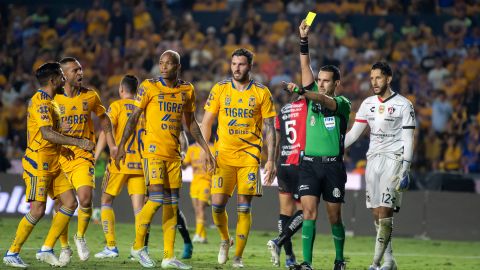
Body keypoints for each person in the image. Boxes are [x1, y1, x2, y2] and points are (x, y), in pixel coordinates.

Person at [115, 50, 215, 269]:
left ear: (177, 66)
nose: (163, 66)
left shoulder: (187, 90)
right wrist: (122, 145)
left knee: (172, 204)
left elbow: (191, 124)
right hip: (152, 152)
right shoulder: (149, 87)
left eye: (168, 63)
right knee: (157, 198)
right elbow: (133, 118)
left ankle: (169, 256)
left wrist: (206, 150)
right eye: (161, 63)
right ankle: (138, 246)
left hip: (174, 154)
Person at [3, 62, 95, 268]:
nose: (65, 79)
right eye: (62, 76)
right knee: (37, 209)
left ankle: (46, 249)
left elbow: (51, 134)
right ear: (53, 80)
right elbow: (46, 134)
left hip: (54, 161)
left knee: (70, 203)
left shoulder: (51, 102)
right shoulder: (41, 102)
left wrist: (64, 147)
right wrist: (77, 142)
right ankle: (12, 252)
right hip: (38, 163)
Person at [201, 48, 277, 268]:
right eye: (234, 63)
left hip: (249, 158)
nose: (236, 68)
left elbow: (270, 128)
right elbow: (206, 122)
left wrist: (270, 159)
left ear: (250, 66)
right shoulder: (220, 89)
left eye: (241, 64)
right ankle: (225, 239)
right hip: (222, 156)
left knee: (244, 207)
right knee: (216, 206)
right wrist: (206, 151)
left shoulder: (262, 93)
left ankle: (238, 257)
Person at [287, 20, 351, 270]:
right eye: (320, 79)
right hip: (310, 165)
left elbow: (323, 99)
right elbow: (305, 64)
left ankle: (338, 260)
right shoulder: (311, 90)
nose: (321, 83)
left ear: (336, 83)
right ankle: (307, 263)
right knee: (309, 212)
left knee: (334, 217)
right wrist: (303, 39)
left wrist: (304, 93)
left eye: (326, 80)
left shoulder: (343, 103)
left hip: (333, 167)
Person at [345, 61, 416, 270]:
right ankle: (389, 261)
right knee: (376, 212)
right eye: (372, 78)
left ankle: (375, 263)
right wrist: (332, 148)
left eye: (378, 77)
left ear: (389, 79)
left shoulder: (404, 104)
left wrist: (406, 167)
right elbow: (353, 134)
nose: (374, 82)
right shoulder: (367, 104)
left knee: (385, 211)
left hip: (393, 159)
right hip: (373, 160)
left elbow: (408, 139)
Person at [54, 57, 117, 263]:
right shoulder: (53, 99)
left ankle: (80, 236)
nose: (80, 73)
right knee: (61, 206)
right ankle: (64, 247)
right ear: (63, 76)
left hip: (82, 157)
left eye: (80, 69)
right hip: (59, 157)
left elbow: (104, 118)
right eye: (75, 70)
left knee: (86, 198)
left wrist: (112, 143)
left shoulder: (90, 96)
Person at [93, 74, 146, 259]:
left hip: (118, 162)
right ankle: (139, 249)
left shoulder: (116, 106)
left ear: (121, 90)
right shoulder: (143, 110)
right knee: (139, 209)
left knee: (106, 201)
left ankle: (111, 247)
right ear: (137, 91)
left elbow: (104, 132)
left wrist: (96, 155)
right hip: (140, 165)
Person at [267, 83, 307, 268]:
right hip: (301, 164)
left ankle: (290, 257)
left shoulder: (282, 111)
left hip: (282, 164)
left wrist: (272, 163)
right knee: (307, 211)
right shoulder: (307, 107)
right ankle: (278, 241)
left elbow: (275, 139)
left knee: (285, 212)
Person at [183, 139, 214, 244]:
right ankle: (203, 236)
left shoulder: (212, 148)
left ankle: (197, 234)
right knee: (197, 210)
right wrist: (180, 158)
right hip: (194, 183)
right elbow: (184, 165)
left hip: (206, 182)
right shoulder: (191, 149)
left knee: (200, 208)